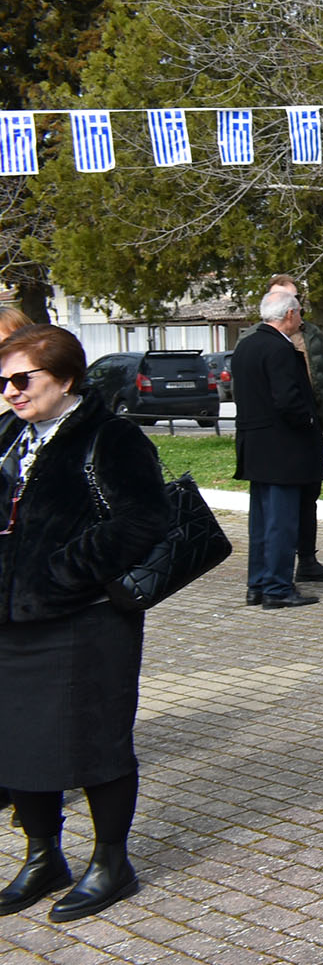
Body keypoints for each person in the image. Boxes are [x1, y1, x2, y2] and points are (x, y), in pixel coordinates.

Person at [0, 325, 168, 920]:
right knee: (18, 745)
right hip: (14, 622)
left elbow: (142, 520)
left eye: (23, 380)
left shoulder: (109, 435)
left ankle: (110, 862)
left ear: (66, 379)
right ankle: (43, 854)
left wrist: (60, 574)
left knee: (95, 740)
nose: (12, 393)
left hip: (86, 619)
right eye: (4, 382)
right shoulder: (10, 437)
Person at [231, 287, 323, 609]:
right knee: (282, 523)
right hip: (283, 450)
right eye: (299, 313)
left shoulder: (245, 347)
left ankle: (257, 585)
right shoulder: (280, 349)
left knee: (261, 522)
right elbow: (288, 401)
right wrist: (310, 424)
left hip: (255, 447)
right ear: (289, 314)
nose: (301, 319)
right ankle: (277, 588)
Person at [267, 274, 323, 584]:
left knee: (310, 495)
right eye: (287, 300)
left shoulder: (311, 335)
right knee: (280, 502)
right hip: (278, 433)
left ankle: (307, 560)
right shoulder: (259, 339)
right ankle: (275, 569)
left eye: (296, 300)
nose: (293, 307)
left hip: (310, 424)